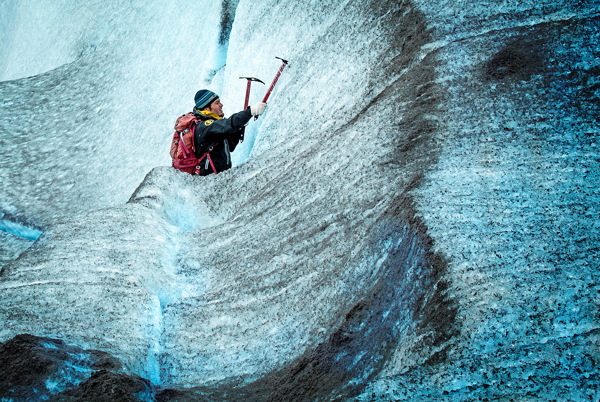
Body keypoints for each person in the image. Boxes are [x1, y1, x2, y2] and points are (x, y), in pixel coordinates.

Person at [192, 89, 267, 176]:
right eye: (217, 103)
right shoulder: (205, 127)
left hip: (219, 178)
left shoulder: (212, 125)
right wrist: (250, 112)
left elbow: (230, 146)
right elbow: (227, 124)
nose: (221, 105)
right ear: (206, 108)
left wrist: (241, 123)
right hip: (210, 181)